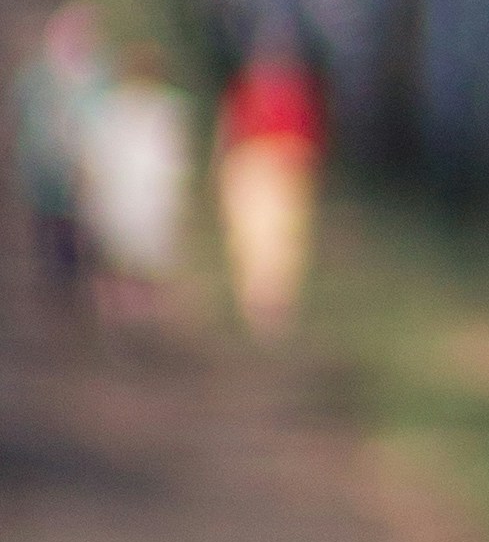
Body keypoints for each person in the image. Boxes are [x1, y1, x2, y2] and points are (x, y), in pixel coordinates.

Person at [212, 42, 328, 337]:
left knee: (280, 238)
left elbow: (309, 137)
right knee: (256, 238)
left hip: (282, 167)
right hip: (256, 165)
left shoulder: (296, 90)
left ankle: (273, 305)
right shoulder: (249, 88)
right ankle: (260, 304)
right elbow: (231, 126)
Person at [77, 44, 192, 329]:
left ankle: (137, 315)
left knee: (139, 255)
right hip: (128, 194)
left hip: (144, 195)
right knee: (125, 254)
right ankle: (126, 314)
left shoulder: (160, 109)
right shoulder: (118, 108)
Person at [11, 0, 105, 318]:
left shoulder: (96, 74)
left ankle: (77, 282)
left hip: (85, 166)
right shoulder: (38, 76)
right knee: (51, 223)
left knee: (82, 222)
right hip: (47, 168)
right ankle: (58, 286)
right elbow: (25, 115)